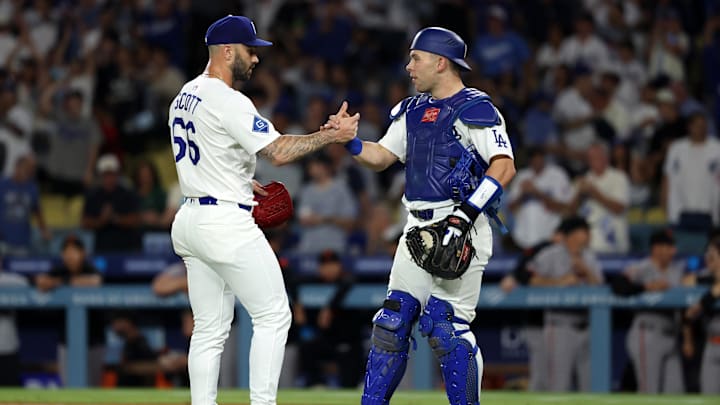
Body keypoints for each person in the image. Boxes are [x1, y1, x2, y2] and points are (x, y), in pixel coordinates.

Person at [168, 15, 359, 405]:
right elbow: (279, 151)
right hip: (223, 223)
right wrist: (331, 135)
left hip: (191, 218)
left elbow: (203, 153)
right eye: (249, 50)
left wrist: (238, 181)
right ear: (226, 51)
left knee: (208, 328)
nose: (255, 58)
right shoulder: (229, 100)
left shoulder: (183, 94)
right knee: (274, 314)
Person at [326, 27, 516, 405]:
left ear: (440, 62)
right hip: (416, 228)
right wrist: (351, 142)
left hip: (461, 226)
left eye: (416, 58)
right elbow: (382, 157)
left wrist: (465, 215)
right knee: (391, 323)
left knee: (446, 328)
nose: (409, 66)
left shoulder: (475, 107)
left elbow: (504, 166)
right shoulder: (412, 109)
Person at [528, 216, 604, 392]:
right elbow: (531, 281)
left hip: (587, 325)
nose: (587, 235)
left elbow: (602, 290)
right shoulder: (550, 254)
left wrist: (586, 271)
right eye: (584, 231)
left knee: (591, 387)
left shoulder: (590, 258)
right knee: (558, 386)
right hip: (560, 325)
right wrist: (558, 282)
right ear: (573, 234)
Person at [618, 229, 686, 393]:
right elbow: (619, 286)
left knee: (676, 392)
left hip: (671, 334)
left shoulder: (677, 270)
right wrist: (646, 287)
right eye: (668, 246)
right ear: (656, 248)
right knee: (649, 391)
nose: (673, 251)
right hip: (647, 332)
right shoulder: (641, 268)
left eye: (672, 246)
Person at [34, 234, 105, 387]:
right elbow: (40, 282)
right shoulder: (58, 270)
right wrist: (62, 281)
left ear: (83, 253)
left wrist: (62, 283)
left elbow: (95, 281)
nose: (70, 256)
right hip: (66, 341)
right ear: (62, 254)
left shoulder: (90, 269)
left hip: (93, 340)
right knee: (68, 387)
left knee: (93, 387)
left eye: (74, 252)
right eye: (67, 252)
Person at [683, 235, 720, 393]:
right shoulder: (706, 279)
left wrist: (703, 302)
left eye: (712, 254)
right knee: (709, 397)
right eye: (708, 254)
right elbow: (685, 282)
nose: (708, 258)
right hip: (712, 344)